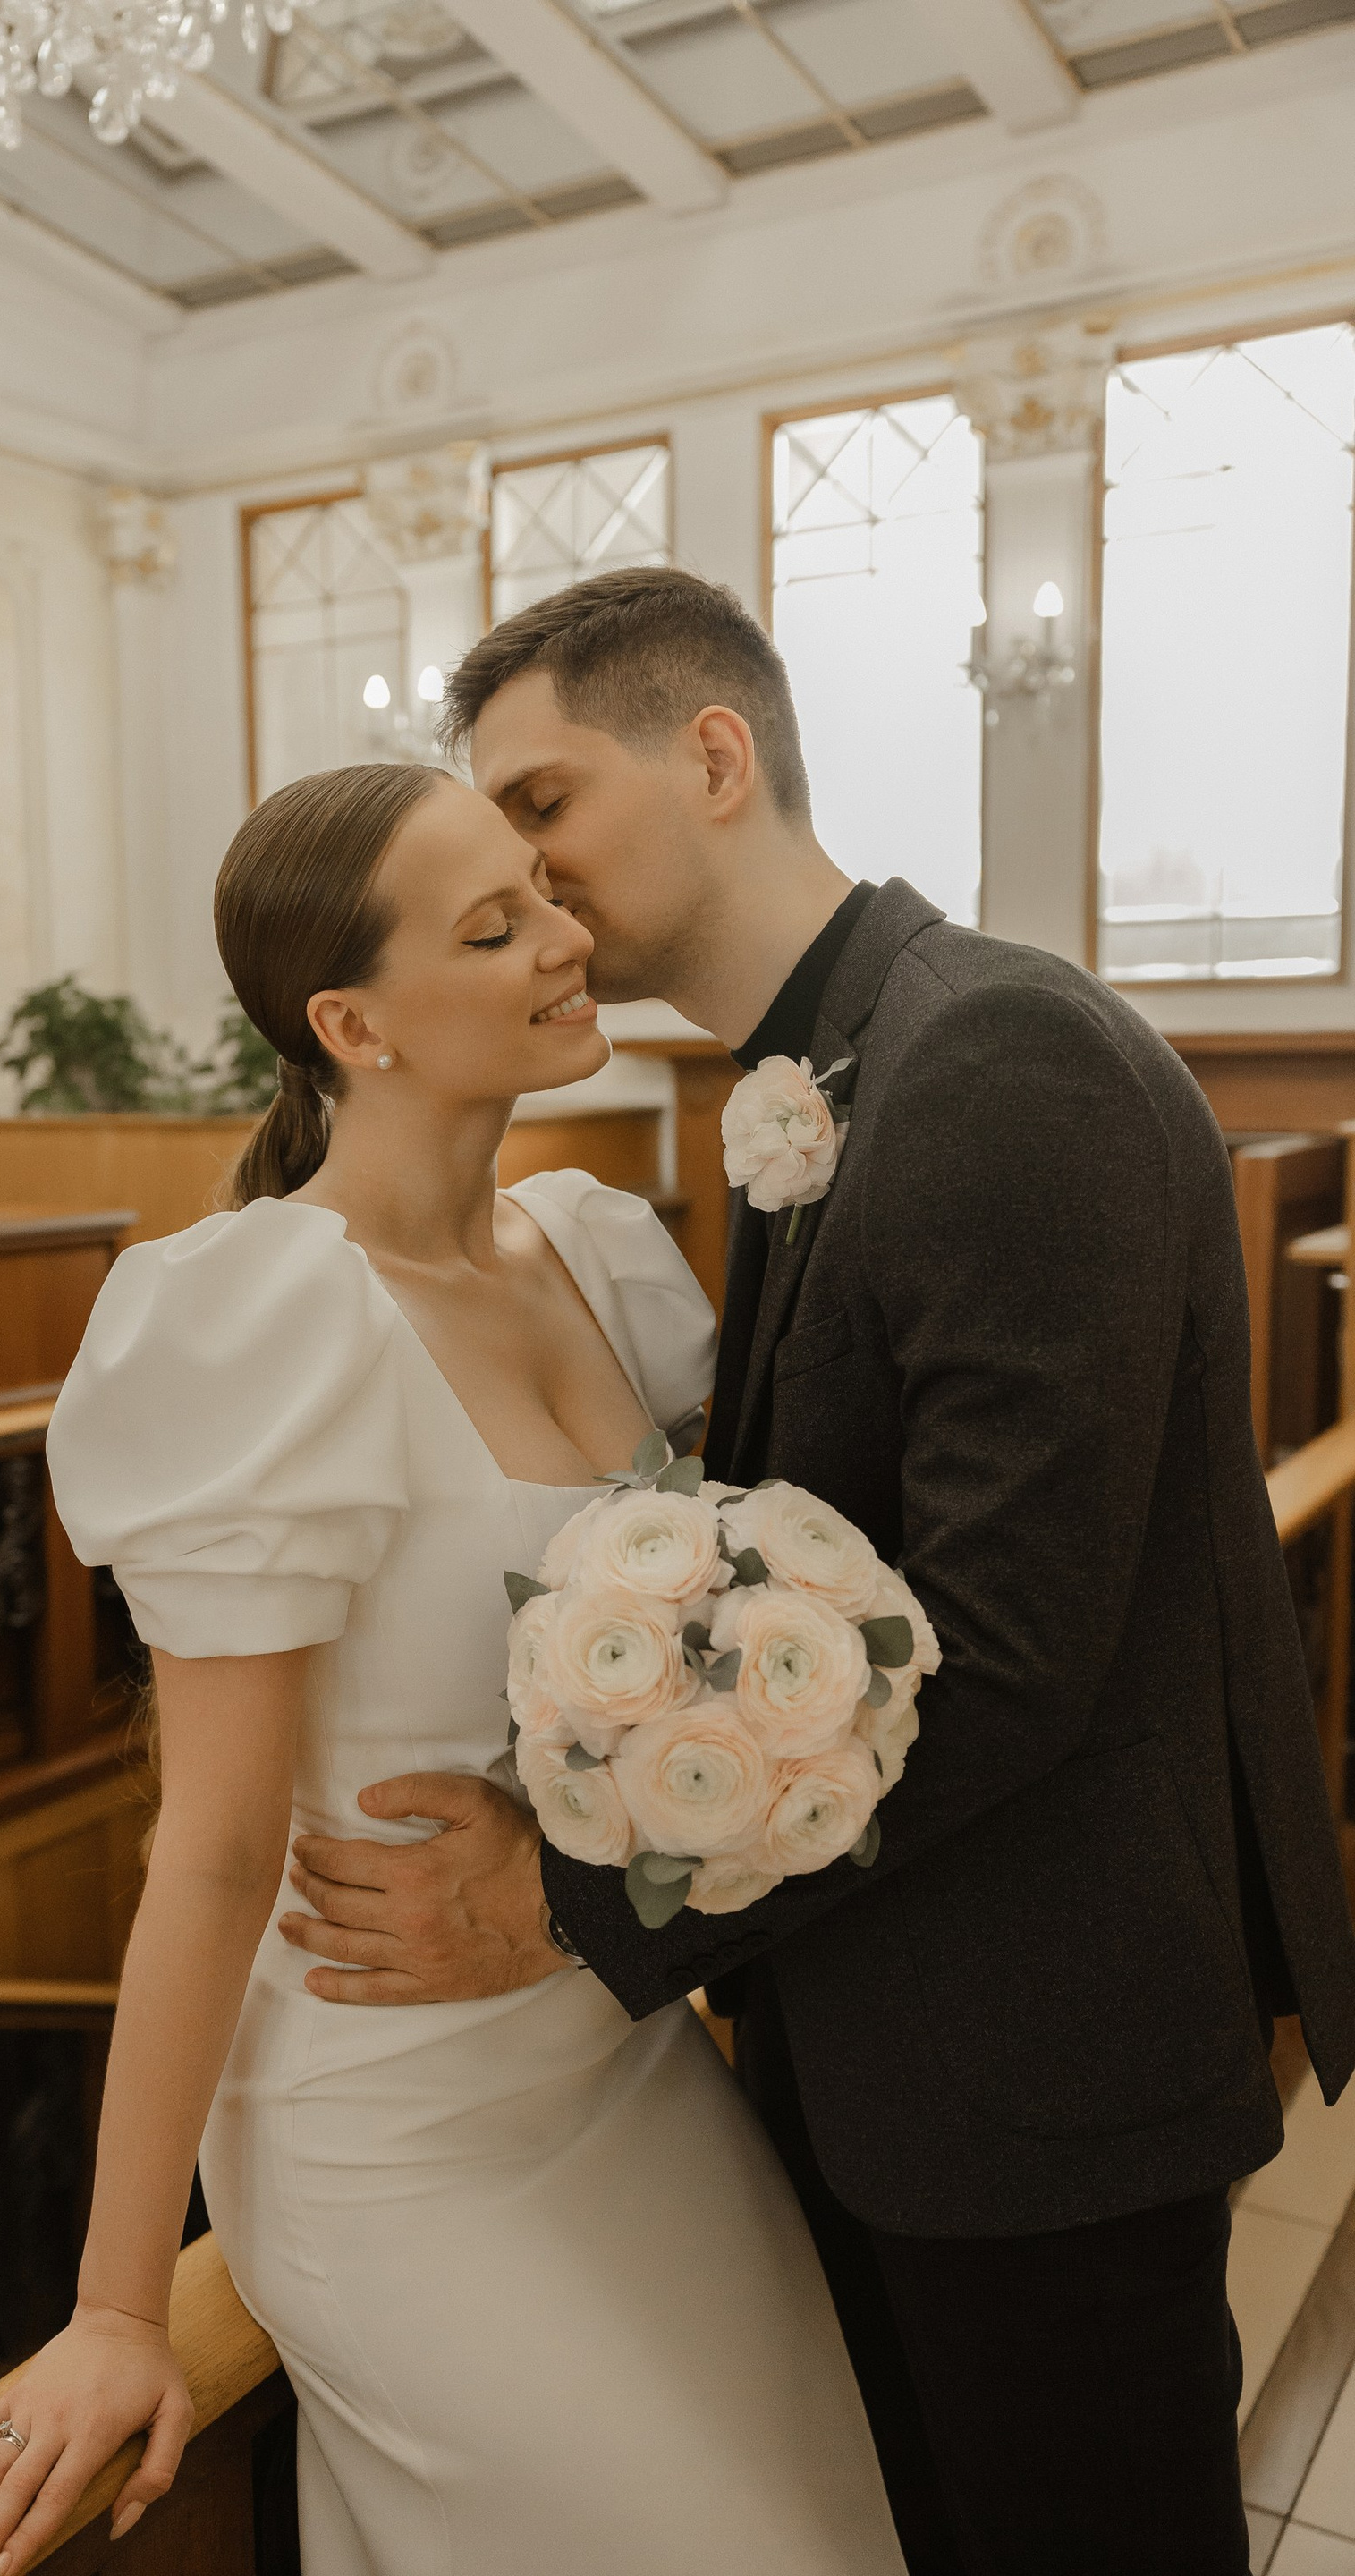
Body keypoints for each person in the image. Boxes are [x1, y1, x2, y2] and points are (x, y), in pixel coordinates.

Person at [278, 566, 1355, 2576]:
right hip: (899, 2043)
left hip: (1033, 2063)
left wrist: (572, 1903)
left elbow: (1001, 1651)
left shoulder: (996, 1057)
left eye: (544, 803)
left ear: (715, 755)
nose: (525, 874)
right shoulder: (833, 1077)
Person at [0, 758, 906, 2576]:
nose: (564, 939)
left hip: (614, 2050)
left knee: (828, 2520)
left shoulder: (592, 1251)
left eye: (545, 895)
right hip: (389, 2129)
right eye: (492, 927)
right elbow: (212, 1851)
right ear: (352, 1026)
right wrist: (119, 2308)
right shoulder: (262, 1313)